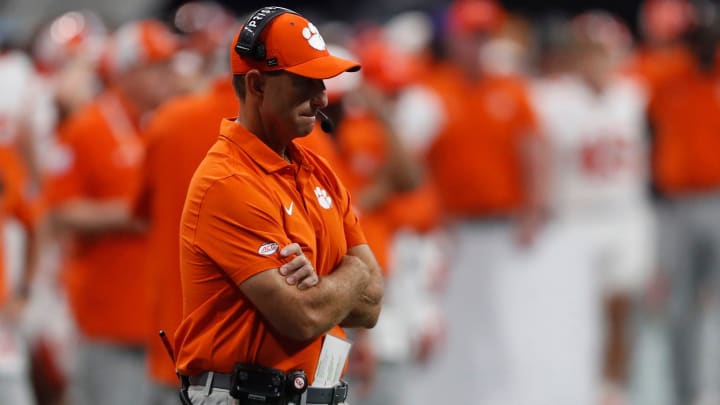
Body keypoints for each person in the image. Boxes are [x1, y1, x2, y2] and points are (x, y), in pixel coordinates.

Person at [173, 7, 383, 405]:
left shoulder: (318, 170)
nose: (321, 96)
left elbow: (372, 302)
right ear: (257, 85)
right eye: (304, 81)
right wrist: (350, 270)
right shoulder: (227, 181)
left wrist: (323, 284)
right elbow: (300, 317)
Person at [41, 19, 181, 405]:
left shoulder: (169, 124)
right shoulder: (88, 127)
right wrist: (129, 215)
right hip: (110, 315)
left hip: (168, 321)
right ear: (129, 71)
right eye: (160, 67)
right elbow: (58, 211)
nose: (172, 77)